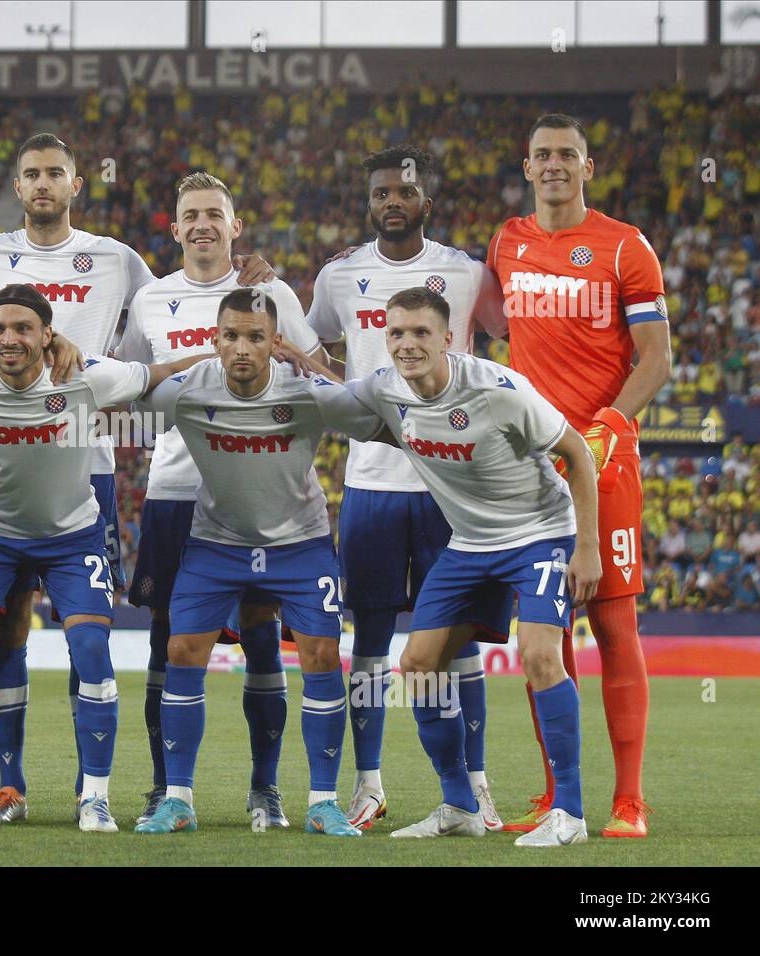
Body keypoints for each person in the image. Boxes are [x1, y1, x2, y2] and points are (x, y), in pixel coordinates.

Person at [0, 132, 275, 821]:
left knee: (88, 630)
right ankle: (10, 783)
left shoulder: (121, 261)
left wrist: (244, 269)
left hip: (89, 469)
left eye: (56, 173)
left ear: (78, 185)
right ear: (18, 187)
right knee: (8, 623)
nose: (43, 184)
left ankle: (89, 790)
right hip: (3, 471)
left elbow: (185, 302)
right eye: (31, 174)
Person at [0, 283, 197, 833]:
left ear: (48, 335)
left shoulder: (87, 373)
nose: (9, 339)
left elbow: (157, 374)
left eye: (23, 328)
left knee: (91, 646)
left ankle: (93, 797)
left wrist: (226, 354)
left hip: (72, 536)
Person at [349, 287, 601, 847]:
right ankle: (460, 803)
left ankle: (571, 814)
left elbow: (578, 453)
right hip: (469, 544)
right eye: (396, 333)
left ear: (447, 338)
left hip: (540, 533)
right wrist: (292, 353)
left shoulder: (497, 389)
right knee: (417, 663)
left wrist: (587, 548)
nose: (407, 344)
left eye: (420, 333)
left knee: (539, 654)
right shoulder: (386, 389)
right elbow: (326, 394)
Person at [133, 288, 386, 838]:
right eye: (230, 337)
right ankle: (177, 799)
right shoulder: (189, 389)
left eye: (255, 337)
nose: (242, 348)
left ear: (275, 341)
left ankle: (322, 802)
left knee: (320, 655)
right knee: (181, 648)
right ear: (214, 341)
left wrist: (313, 362)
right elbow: (125, 394)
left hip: (300, 543)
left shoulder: (306, 391)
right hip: (217, 540)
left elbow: (368, 414)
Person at [117, 170, 327, 828]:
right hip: (176, 493)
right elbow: (131, 392)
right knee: (169, 645)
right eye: (191, 215)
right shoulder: (152, 300)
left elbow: (328, 387)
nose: (203, 224)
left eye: (216, 213)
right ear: (174, 229)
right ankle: (165, 789)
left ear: (236, 227)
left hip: (262, 499)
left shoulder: (274, 295)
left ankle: (266, 792)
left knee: (262, 639)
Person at [306, 145, 507, 830]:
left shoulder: (467, 273)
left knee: (462, 639)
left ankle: (474, 787)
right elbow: (312, 353)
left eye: (404, 192)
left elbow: (512, 340)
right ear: (369, 202)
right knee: (368, 638)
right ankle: (369, 783)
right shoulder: (340, 276)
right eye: (381, 192)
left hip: (456, 486)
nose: (393, 201)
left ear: (428, 200)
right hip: (371, 482)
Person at [488, 114, 672, 838]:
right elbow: (502, 335)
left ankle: (628, 801)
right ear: (527, 167)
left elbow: (655, 360)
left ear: (587, 166)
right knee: (545, 630)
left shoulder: (627, 246)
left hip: (603, 463)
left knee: (615, 624)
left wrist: (608, 426)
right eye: (543, 155)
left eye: (568, 154)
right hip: (529, 468)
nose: (555, 164)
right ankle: (556, 792)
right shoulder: (507, 242)